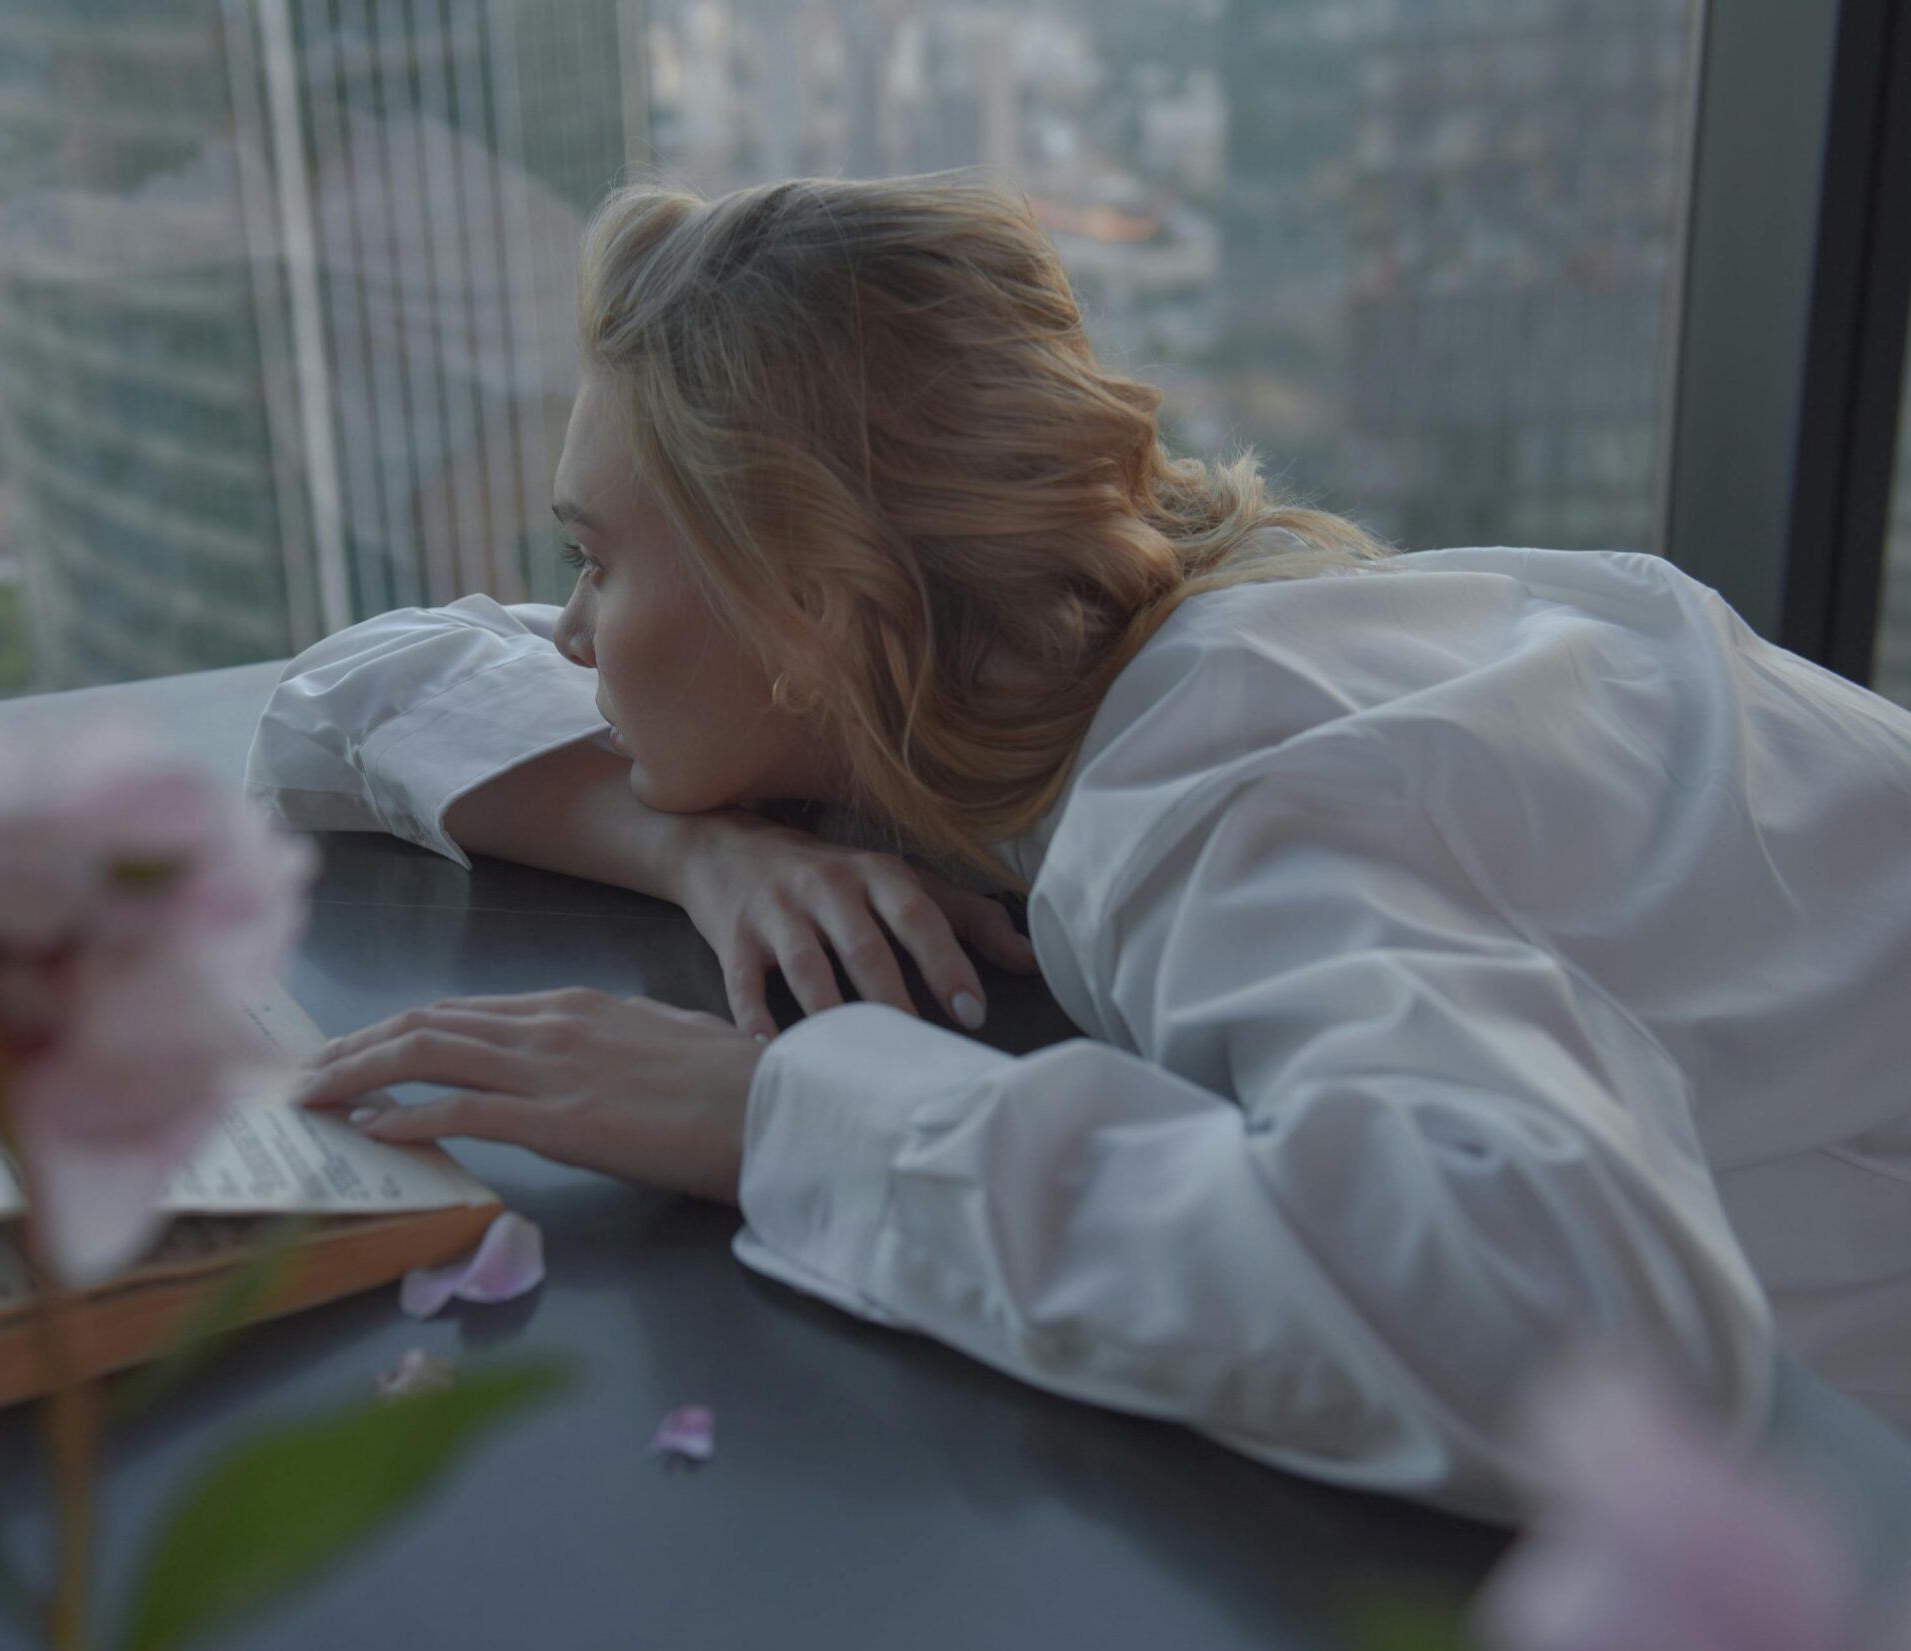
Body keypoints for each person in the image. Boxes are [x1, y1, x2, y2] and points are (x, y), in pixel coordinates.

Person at [245, 174, 1911, 1517]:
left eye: (595, 560)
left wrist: (780, 1118)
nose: (574, 627)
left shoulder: (1221, 772)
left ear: (810, 602)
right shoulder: (1055, 666)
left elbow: (1559, 1316)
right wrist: (699, 855)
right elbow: (344, 689)